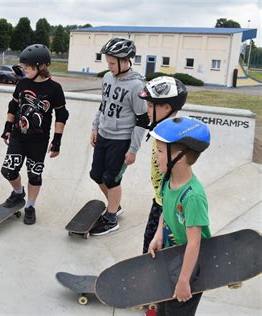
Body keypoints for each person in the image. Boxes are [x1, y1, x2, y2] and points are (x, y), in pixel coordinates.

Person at [148, 116, 211, 316]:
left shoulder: (192, 197)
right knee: (163, 307)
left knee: (177, 311)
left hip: (192, 268)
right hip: (172, 257)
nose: (156, 157)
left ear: (181, 157)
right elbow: (165, 211)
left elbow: (194, 243)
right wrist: (159, 234)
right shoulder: (168, 181)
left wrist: (184, 281)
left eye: (159, 152)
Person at [0, 44, 69, 225]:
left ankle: (30, 206)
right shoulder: (22, 83)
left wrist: (57, 142)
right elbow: (13, 107)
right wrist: (7, 128)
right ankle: (17, 193)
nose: (24, 70)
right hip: (18, 136)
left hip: (39, 141)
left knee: (34, 175)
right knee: (8, 170)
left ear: (40, 67)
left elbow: (61, 116)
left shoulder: (54, 88)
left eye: (27, 67)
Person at [89, 37, 147, 236]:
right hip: (104, 134)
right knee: (96, 174)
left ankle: (111, 218)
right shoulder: (107, 78)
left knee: (111, 178)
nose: (109, 66)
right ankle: (116, 205)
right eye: (108, 63)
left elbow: (142, 120)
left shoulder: (137, 86)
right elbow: (103, 105)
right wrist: (95, 127)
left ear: (126, 61)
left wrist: (133, 149)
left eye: (112, 63)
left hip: (122, 140)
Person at [138, 76, 188, 253]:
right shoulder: (160, 129)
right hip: (159, 201)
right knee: (149, 248)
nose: (147, 110)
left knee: (162, 251)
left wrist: (167, 216)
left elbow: (178, 177)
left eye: (151, 106)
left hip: (171, 206)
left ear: (166, 108)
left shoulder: (173, 138)